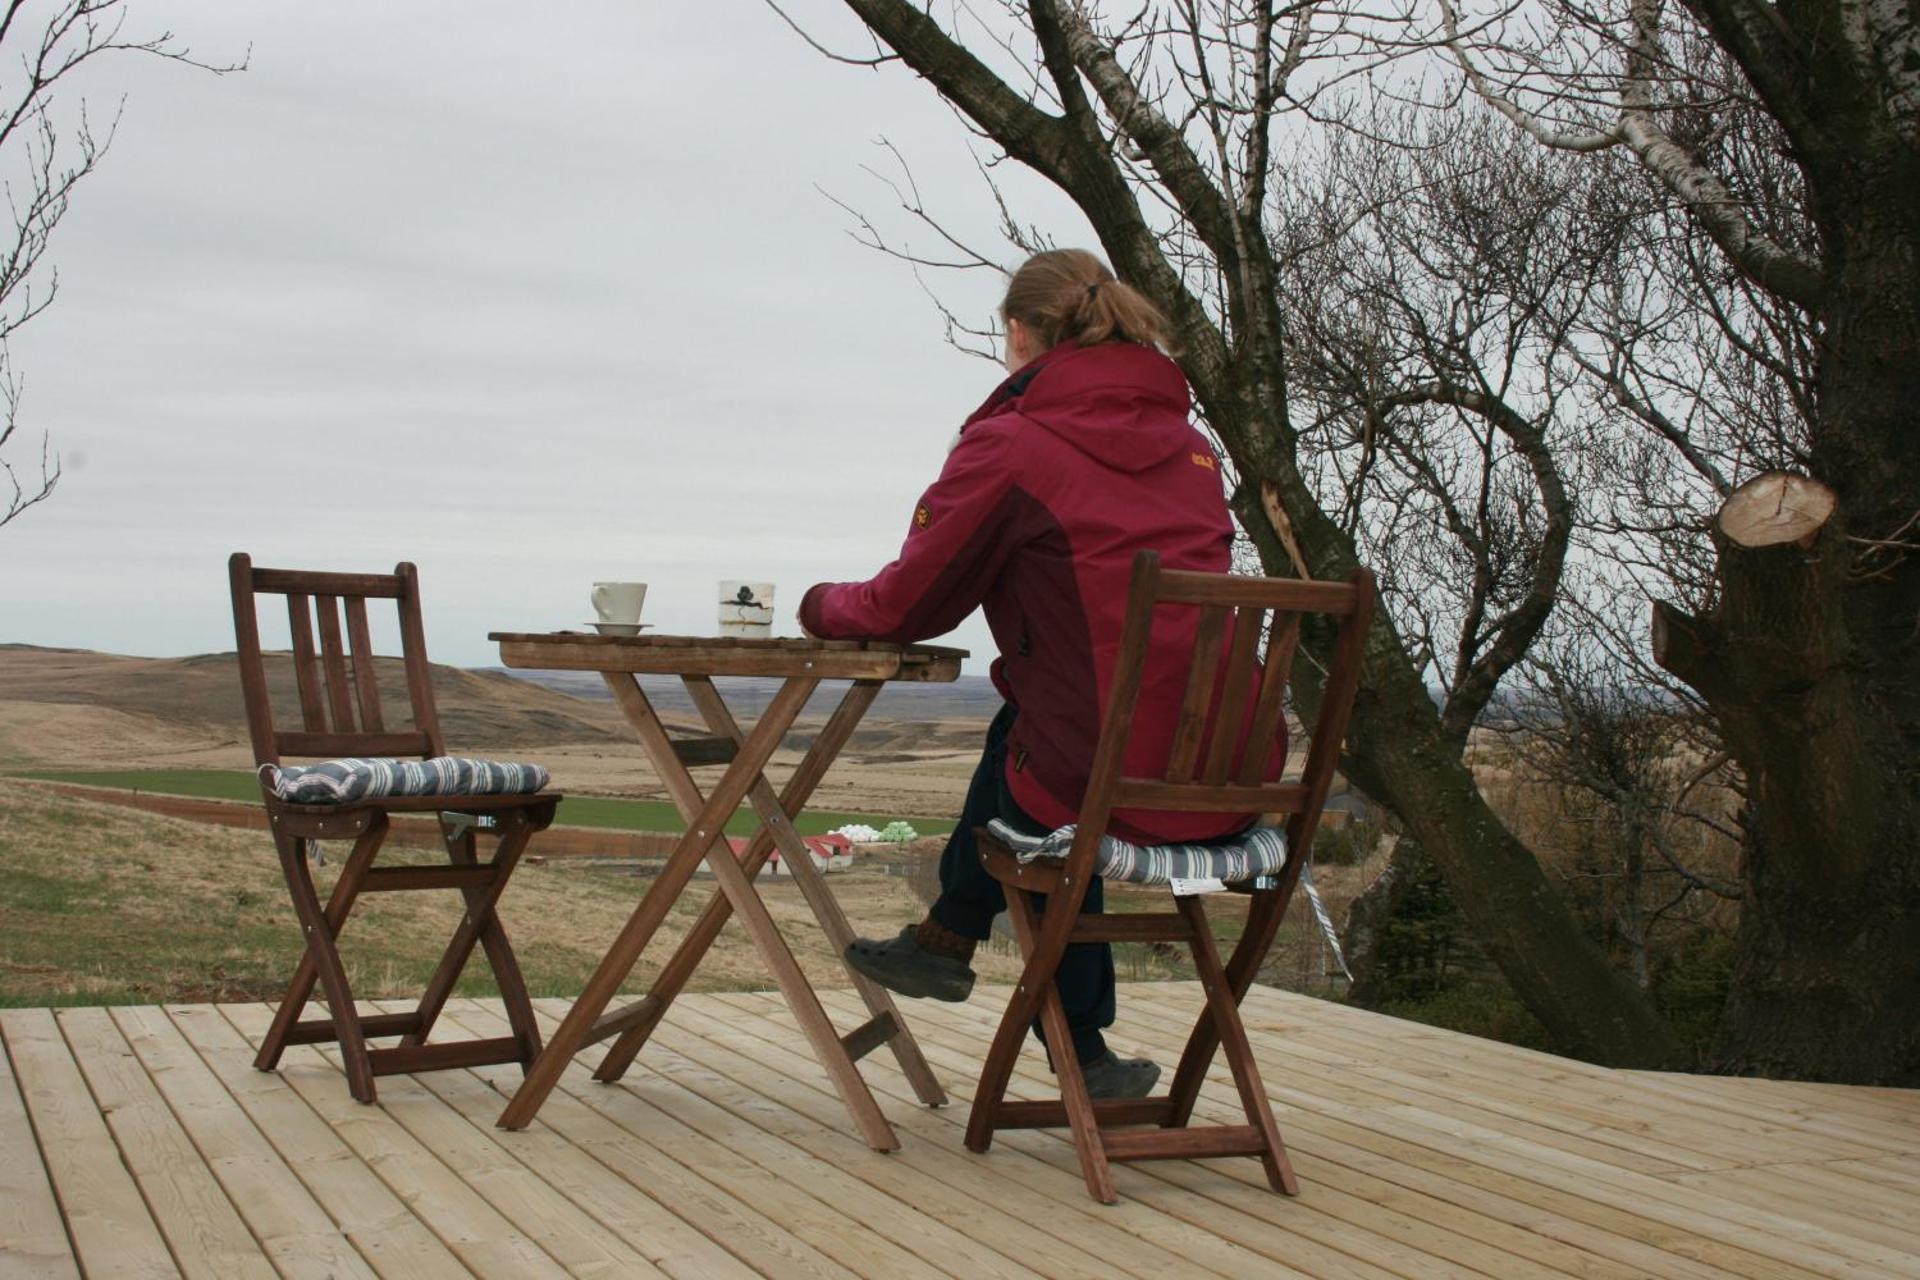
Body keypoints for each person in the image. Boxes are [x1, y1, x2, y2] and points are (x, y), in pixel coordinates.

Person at [798, 248, 1263, 1100]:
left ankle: (1055, 1028)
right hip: (1225, 772)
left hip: (1100, 778)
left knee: (1047, 773)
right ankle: (951, 938)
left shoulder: (1016, 444)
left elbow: (907, 604)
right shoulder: (1194, 450)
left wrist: (820, 604)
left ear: (1019, 332)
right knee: (1032, 730)